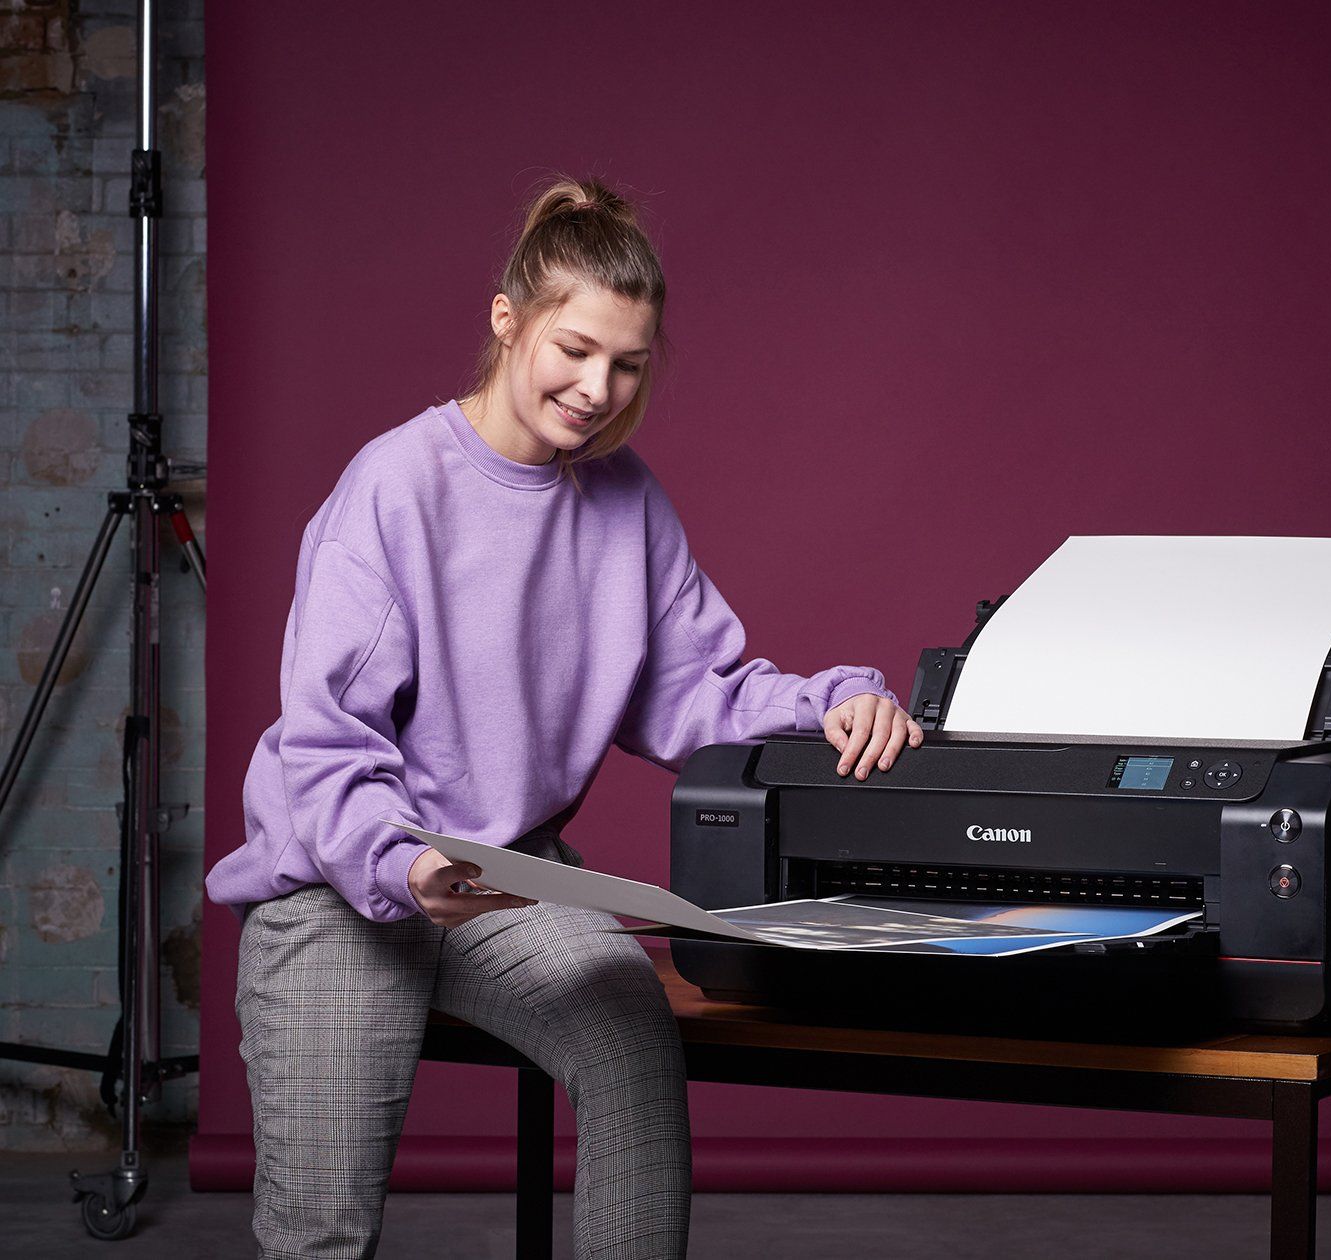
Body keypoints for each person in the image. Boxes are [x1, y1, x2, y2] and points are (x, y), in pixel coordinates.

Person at [205, 175, 921, 1259]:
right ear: (508, 320)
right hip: (343, 885)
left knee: (635, 1047)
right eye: (575, 350)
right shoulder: (394, 487)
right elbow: (327, 739)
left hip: (506, 881)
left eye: (628, 364)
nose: (598, 389)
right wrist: (404, 863)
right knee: (323, 1232)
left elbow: (699, 689)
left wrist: (835, 699)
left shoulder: (625, 500)